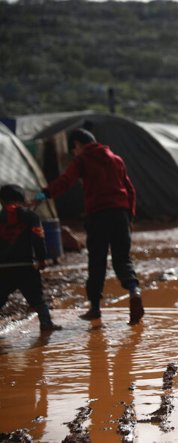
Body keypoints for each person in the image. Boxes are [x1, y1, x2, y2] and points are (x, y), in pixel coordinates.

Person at [35, 128, 144, 325]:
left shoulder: (82, 159)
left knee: (97, 262)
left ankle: (95, 308)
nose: (74, 153)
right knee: (123, 259)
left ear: (77, 144)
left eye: (73, 149)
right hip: (120, 214)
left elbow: (66, 181)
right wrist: (129, 216)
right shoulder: (116, 159)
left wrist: (45, 193)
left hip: (98, 216)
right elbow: (130, 189)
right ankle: (134, 290)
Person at [0, 184, 62, 331]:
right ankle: (46, 324)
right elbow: (38, 238)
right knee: (37, 299)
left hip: (3, 268)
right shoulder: (31, 216)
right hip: (26, 266)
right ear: (22, 199)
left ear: (2, 201)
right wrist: (41, 259)